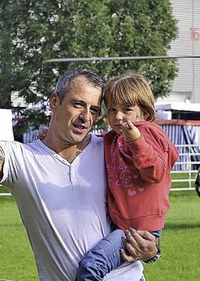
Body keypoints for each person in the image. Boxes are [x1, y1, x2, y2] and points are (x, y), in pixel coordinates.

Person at [0, 57, 159, 280]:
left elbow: (150, 197)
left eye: (94, 110)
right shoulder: (23, 159)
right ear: (54, 102)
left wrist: (152, 250)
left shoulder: (112, 151)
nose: (85, 117)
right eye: (78, 104)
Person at [76, 74, 178, 280]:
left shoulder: (148, 132)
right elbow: (84, 142)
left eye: (127, 110)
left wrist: (136, 141)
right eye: (112, 109)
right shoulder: (112, 139)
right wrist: (49, 137)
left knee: (91, 267)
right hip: (124, 224)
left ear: (145, 112)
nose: (118, 116)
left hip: (140, 230)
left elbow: (156, 172)